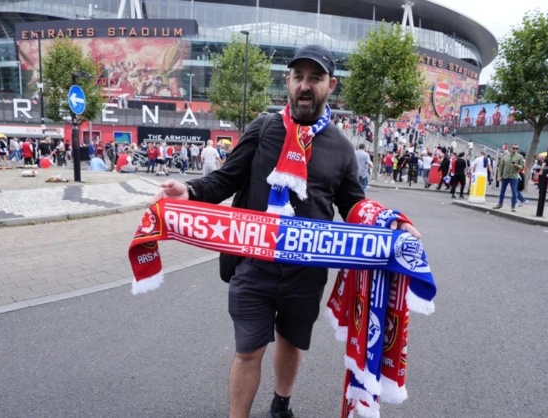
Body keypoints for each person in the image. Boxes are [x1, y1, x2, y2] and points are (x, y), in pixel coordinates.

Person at [148, 45, 419, 418]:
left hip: (305, 273)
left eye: (316, 78)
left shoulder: (340, 147)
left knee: (291, 343)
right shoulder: (262, 129)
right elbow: (226, 179)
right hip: (253, 265)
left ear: (330, 85)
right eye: (299, 77)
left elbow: (353, 204)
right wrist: (190, 190)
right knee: (248, 349)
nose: (306, 86)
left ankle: (281, 403)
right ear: (288, 82)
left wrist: (391, 222)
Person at [493, 143, 524, 212]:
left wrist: (516, 166)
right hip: (505, 176)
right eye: (513, 148)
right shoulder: (505, 156)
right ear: (510, 148)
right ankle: (500, 204)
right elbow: (501, 167)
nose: (515, 149)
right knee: (502, 191)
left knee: (514, 191)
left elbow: (522, 166)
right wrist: (499, 176)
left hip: (514, 176)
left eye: (516, 148)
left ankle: (513, 206)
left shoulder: (520, 157)